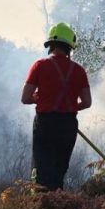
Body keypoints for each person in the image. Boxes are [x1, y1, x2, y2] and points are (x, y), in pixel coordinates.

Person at [21, 23, 91, 190]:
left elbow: (25, 98)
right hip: (68, 125)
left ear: (51, 45)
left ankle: (39, 208)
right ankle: (58, 204)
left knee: (41, 172)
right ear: (69, 47)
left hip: (45, 124)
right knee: (59, 171)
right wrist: (70, 107)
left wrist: (38, 100)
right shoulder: (79, 71)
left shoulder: (39, 66)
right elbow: (87, 102)